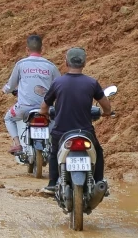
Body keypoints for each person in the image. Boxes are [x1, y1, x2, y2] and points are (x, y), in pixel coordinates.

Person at [39, 47, 113, 194]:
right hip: (85, 132)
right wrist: (107, 113)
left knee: (54, 153)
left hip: (61, 132)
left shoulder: (58, 82)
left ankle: (53, 183)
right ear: (84, 63)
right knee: (98, 151)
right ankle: (99, 182)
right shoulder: (92, 83)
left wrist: (45, 114)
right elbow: (105, 103)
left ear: (66, 62)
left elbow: (44, 106)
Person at [2, 34, 60, 155]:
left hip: (24, 108)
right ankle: (53, 145)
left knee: (8, 118)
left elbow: (11, 85)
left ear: (27, 49)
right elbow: (59, 85)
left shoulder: (21, 64)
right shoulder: (50, 66)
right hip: (46, 109)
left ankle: (17, 145)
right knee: (55, 120)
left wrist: (5, 90)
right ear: (42, 49)